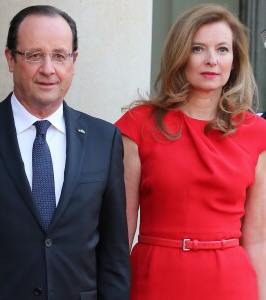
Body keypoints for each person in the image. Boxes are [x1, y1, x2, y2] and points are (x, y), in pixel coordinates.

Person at [0, 5, 130, 300]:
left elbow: (113, 253)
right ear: (10, 59)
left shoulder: (104, 139)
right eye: (34, 55)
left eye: (59, 55)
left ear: (74, 61)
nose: (48, 69)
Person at [115, 3, 266, 300]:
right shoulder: (138, 125)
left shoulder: (256, 132)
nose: (212, 60)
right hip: (154, 280)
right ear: (180, 54)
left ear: (234, 60)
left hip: (231, 283)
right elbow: (121, 232)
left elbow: (258, 239)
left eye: (222, 49)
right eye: (198, 49)